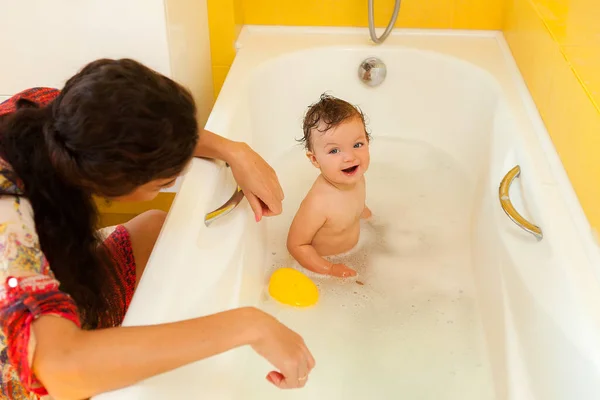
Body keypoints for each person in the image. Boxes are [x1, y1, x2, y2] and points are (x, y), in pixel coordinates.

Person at [0, 58, 314, 400]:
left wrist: (233, 151)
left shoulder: (47, 113)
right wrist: (247, 325)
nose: (176, 180)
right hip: (17, 367)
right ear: (115, 177)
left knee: (156, 230)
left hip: (44, 287)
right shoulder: (9, 225)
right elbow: (61, 371)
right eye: (165, 181)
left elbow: (135, 133)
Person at [287, 94, 372, 278]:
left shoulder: (358, 178)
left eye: (358, 144)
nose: (350, 157)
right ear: (315, 159)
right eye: (334, 150)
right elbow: (297, 245)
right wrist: (329, 269)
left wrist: (369, 218)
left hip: (356, 251)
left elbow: (357, 207)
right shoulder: (318, 203)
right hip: (322, 264)